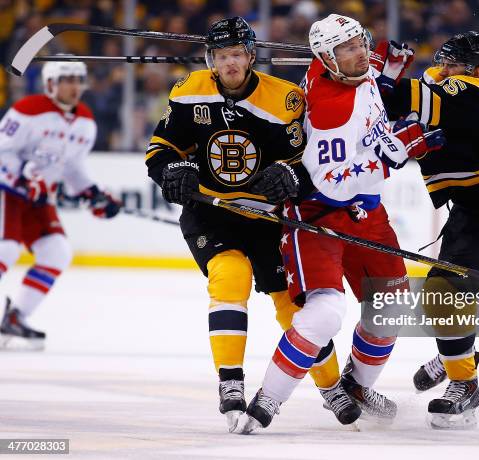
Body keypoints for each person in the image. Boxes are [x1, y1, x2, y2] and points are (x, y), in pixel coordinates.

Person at [144, 17, 356, 432]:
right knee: (230, 276)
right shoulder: (189, 91)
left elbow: (309, 162)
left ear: (251, 56)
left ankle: (331, 387)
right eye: (221, 57)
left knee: (293, 305)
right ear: (211, 59)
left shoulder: (286, 100)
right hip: (212, 210)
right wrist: (172, 171)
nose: (229, 65)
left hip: (267, 219)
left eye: (237, 55)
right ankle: (230, 383)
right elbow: (161, 150)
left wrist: (292, 177)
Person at [236, 13, 444, 434]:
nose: (361, 53)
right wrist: (391, 155)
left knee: (389, 310)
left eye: (361, 43)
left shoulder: (347, 69)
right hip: (319, 214)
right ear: (327, 59)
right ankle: (266, 403)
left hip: (366, 212)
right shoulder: (331, 110)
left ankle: (356, 387)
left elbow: (369, 116)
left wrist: (384, 80)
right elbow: (332, 185)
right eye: (348, 49)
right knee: (324, 314)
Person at [374, 31, 479, 429]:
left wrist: (379, 72)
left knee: (442, 293)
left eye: (453, 63)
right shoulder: (472, 85)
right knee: (447, 294)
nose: (443, 68)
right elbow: (420, 90)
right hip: (476, 213)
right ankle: (455, 354)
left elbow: (387, 101)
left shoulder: (467, 94)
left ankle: (465, 383)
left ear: (476, 69)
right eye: (444, 60)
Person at [0, 61, 121, 350]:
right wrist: (27, 174)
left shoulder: (85, 121)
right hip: (8, 190)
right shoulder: (28, 110)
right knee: (7, 248)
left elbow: (73, 168)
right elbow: (2, 151)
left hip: (39, 198)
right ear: (51, 83)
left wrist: (94, 193)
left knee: (57, 252)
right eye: (67, 79)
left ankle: (15, 317)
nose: (74, 86)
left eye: (79, 80)